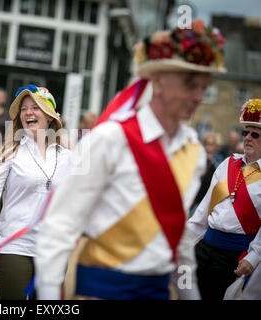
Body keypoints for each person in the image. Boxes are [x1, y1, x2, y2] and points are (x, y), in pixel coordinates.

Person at [34, 20, 226, 300]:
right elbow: (59, 226)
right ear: (157, 79)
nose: (199, 96)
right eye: (190, 84)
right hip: (101, 290)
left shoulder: (193, 149)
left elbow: (179, 238)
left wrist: (188, 294)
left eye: (204, 86)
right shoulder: (110, 139)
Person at [0, 85, 71, 300]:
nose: (28, 113)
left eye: (35, 107)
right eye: (24, 109)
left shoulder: (67, 157)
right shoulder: (9, 152)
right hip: (15, 246)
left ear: (49, 117)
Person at [188, 98, 261, 300]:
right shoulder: (227, 164)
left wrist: (254, 257)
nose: (247, 138)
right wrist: (182, 242)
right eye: (245, 132)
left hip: (235, 256)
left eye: (255, 135)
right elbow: (203, 211)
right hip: (205, 248)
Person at [191, 132, 221, 214]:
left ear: (216, 147)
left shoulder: (218, 163)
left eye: (211, 144)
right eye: (206, 143)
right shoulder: (197, 158)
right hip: (193, 197)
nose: (208, 147)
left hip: (204, 202)